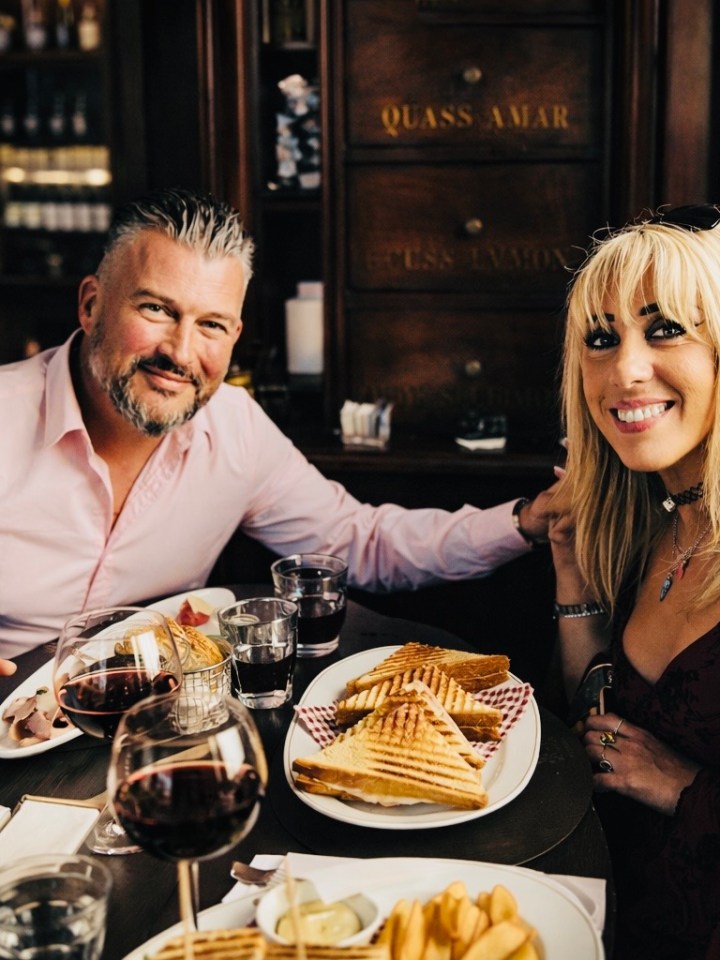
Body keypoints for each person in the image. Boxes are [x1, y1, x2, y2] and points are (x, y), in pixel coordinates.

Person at [0, 186, 555, 662]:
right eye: (156, 310)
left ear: (235, 335)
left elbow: (361, 541)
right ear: (91, 304)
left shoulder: (236, 428)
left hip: (159, 725)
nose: (181, 351)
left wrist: (525, 521)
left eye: (211, 324)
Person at [551, 204, 720, 959]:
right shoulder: (650, 523)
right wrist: (572, 581)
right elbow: (601, 722)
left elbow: (657, 768)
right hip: (597, 916)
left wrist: (686, 787)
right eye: (600, 338)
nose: (624, 371)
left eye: (665, 329)